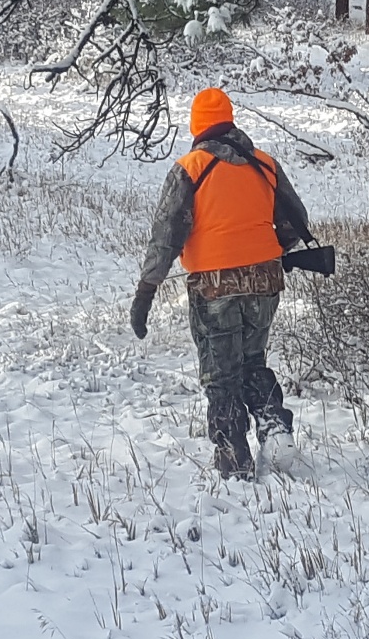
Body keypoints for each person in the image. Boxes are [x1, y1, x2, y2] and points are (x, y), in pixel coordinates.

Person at [130, 87, 310, 479]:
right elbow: (297, 223)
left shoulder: (190, 168)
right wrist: (266, 249)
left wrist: (146, 292)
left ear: (197, 126)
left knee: (220, 373)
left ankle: (233, 458)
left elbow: (166, 235)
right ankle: (274, 426)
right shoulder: (264, 164)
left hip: (213, 287)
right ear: (230, 121)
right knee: (252, 362)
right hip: (265, 281)